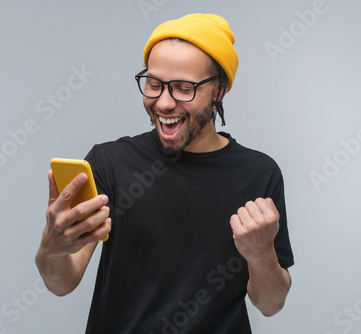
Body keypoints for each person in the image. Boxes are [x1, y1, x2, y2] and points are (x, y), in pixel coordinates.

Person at [35, 13, 294, 334]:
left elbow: (270, 304)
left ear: (219, 90)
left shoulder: (259, 173)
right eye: (154, 84)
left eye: (184, 88)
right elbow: (62, 283)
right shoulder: (109, 162)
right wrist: (52, 247)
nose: (164, 103)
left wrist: (261, 254)